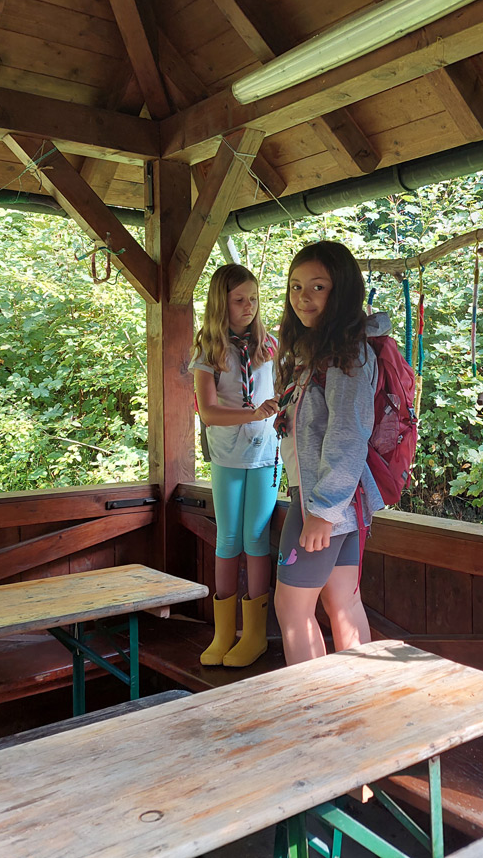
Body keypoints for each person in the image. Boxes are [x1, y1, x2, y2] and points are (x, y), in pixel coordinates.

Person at [272, 241, 387, 664]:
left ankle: (311, 703)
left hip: (323, 501)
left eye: (317, 287)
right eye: (296, 286)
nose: (303, 297)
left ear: (341, 290)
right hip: (343, 500)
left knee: (292, 608)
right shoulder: (318, 351)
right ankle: (360, 698)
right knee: (343, 601)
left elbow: (348, 434)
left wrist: (322, 511)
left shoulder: (345, 354)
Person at [192, 264, 281, 668]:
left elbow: (287, 390)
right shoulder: (209, 351)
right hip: (227, 454)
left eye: (253, 299)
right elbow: (208, 412)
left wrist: (276, 410)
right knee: (228, 541)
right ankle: (223, 633)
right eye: (239, 300)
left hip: (264, 455)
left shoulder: (271, 347)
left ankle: (254, 635)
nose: (249, 306)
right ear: (220, 303)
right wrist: (252, 413)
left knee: (255, 539)